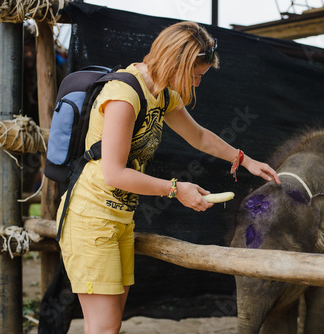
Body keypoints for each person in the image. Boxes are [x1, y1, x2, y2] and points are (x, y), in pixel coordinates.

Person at [57, 21, 281, 334]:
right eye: (195, 75)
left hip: (119, 218)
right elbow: (114, 172)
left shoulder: (162, 94)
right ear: (176, 63)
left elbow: (200, 137)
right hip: (90, 218)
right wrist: (176, 189)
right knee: (103, 328)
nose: (197, 84)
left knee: (109, 326)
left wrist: (245, 161)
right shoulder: (124, 95)